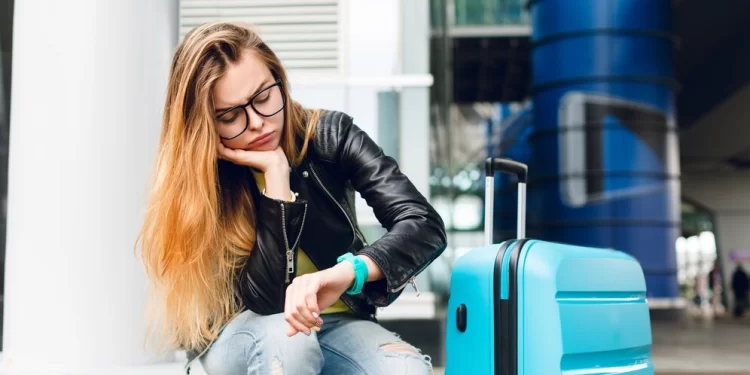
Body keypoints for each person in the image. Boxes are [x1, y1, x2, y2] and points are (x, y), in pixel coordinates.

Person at [136, 20, 447, 375]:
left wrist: (349, 271)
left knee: (404, 369)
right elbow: (268, 301)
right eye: (230, 115)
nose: (256, 122)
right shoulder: (202, 179)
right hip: (238, 334)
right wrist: (277, 178)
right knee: (289, 344)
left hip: (334, 325)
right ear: (205, 124)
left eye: (264, 98)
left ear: (279, 81)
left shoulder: (331, 137)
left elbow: (422, 224)